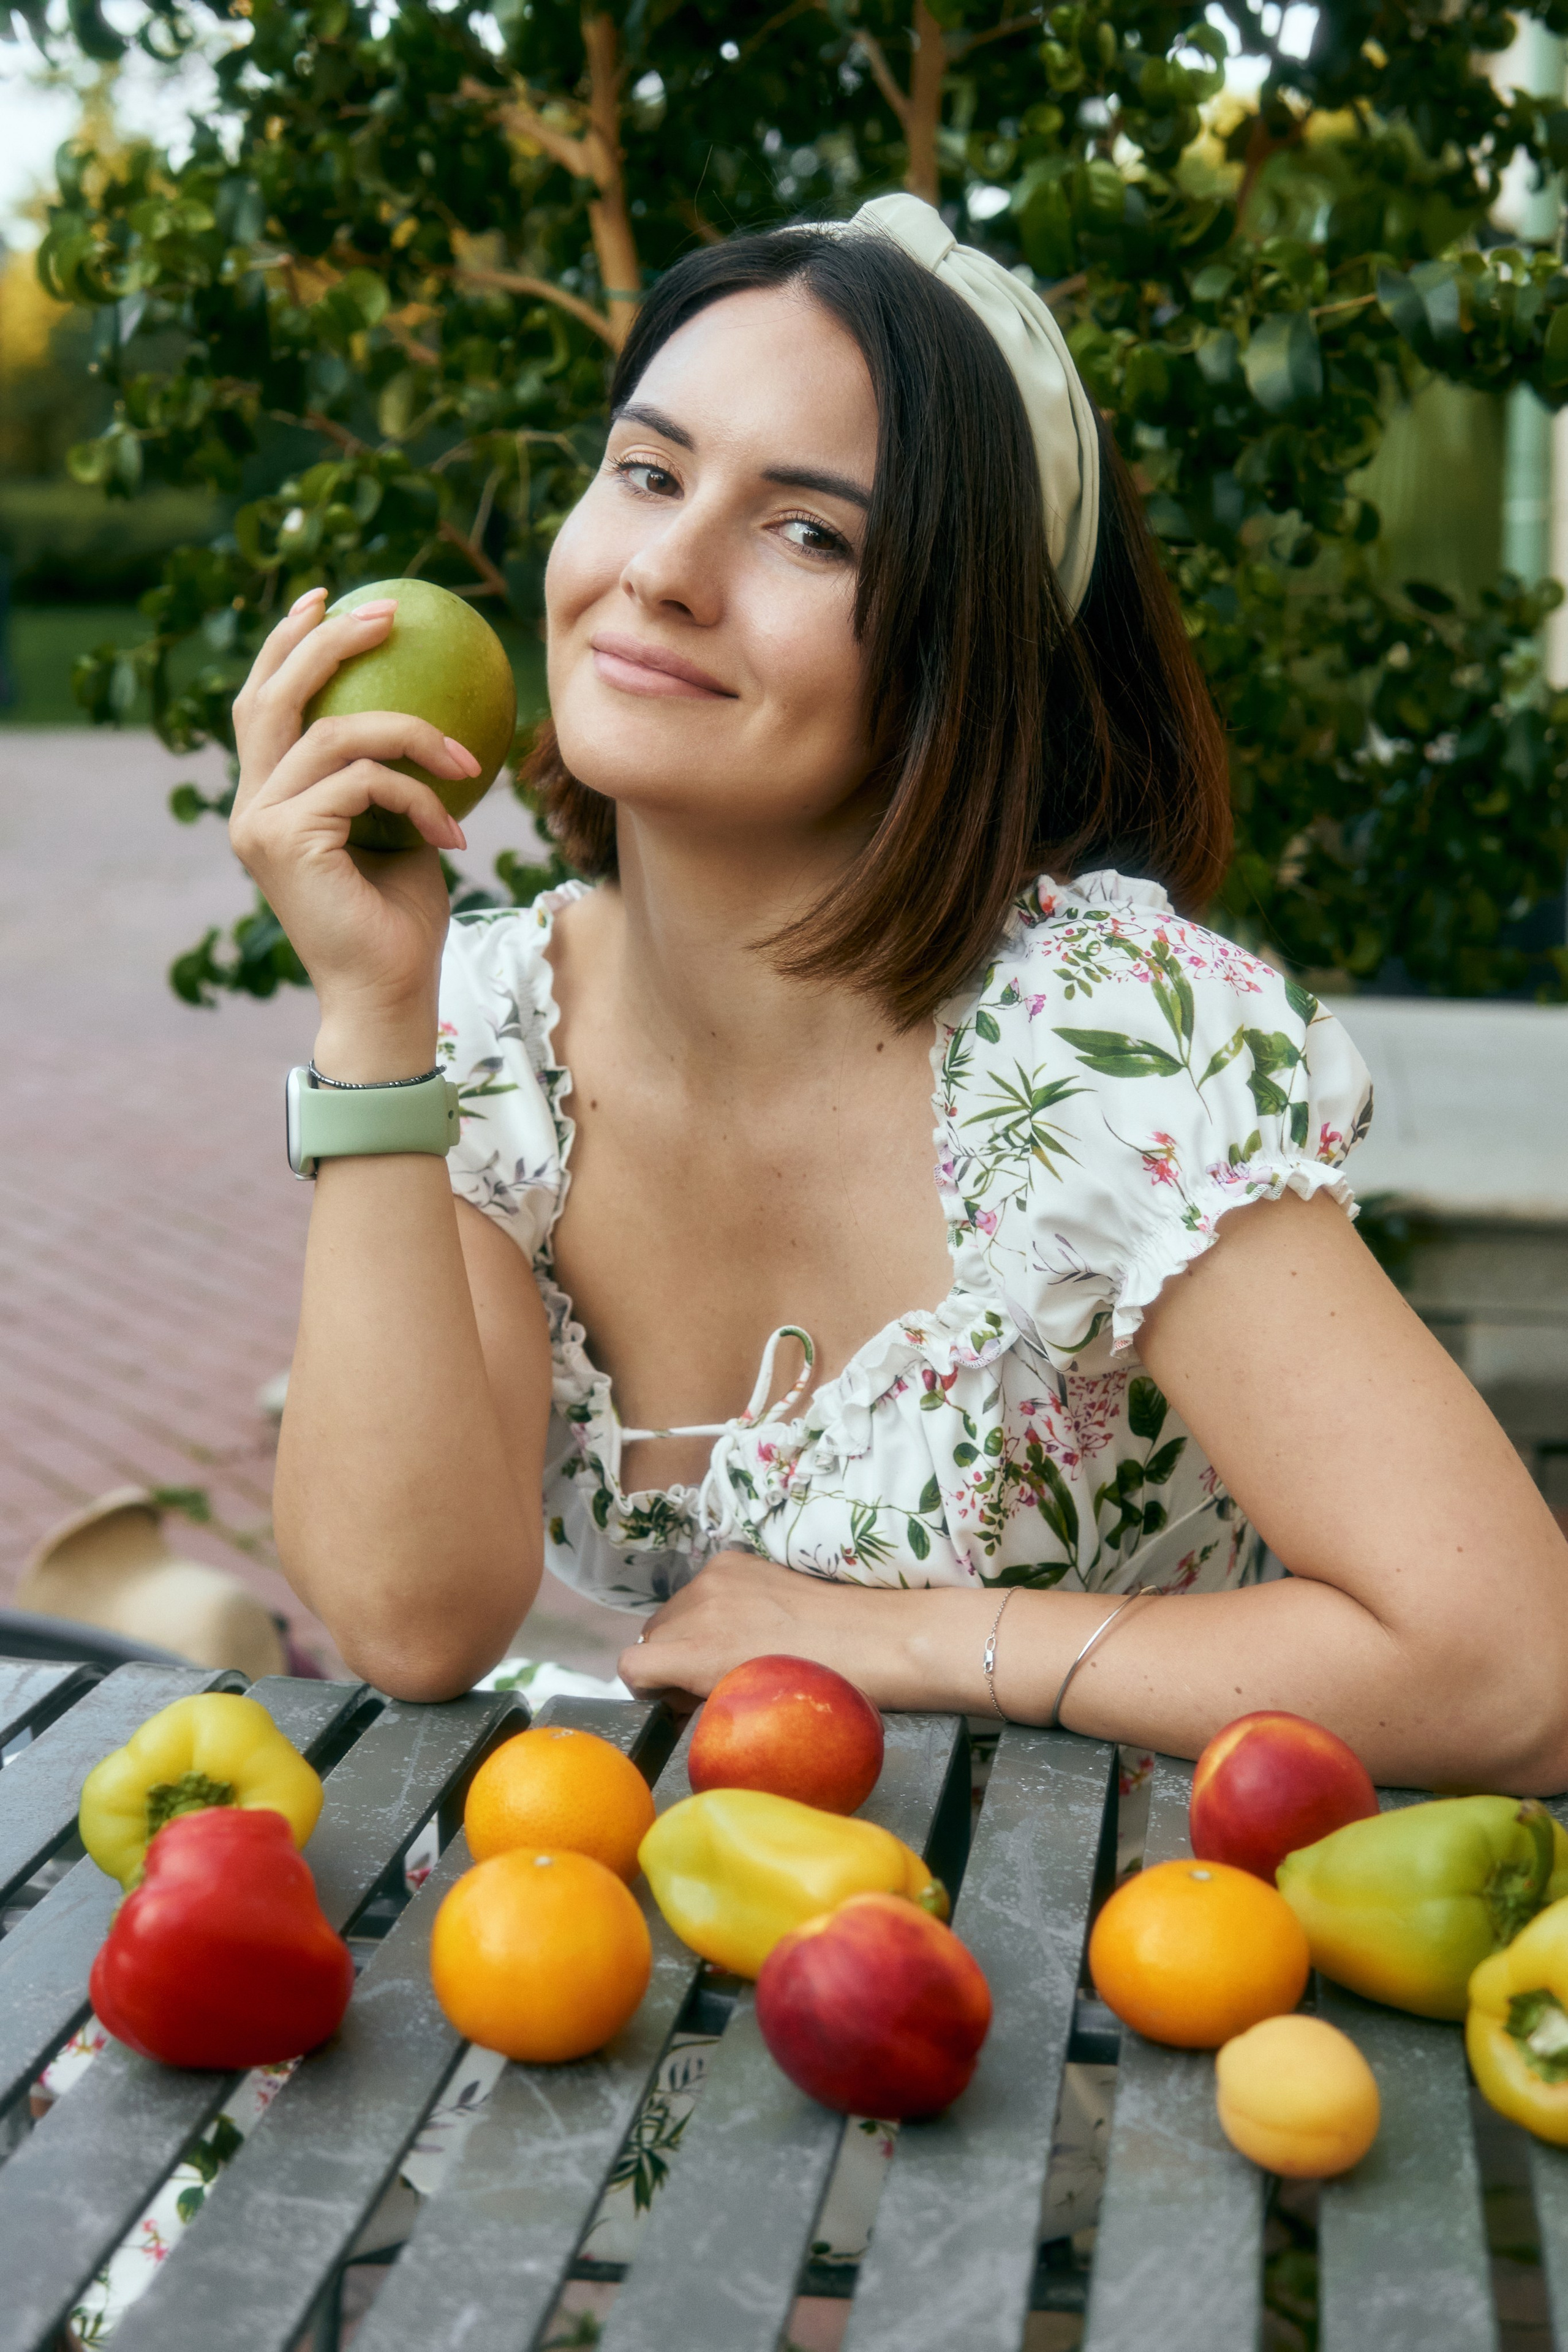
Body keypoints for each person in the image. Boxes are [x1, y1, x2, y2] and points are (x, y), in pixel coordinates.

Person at [231, 193, 1568, 1800]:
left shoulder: (1101, 1047)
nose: (659, 570)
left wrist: (914, 1635)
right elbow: (410, 1616)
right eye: (648, 473)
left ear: (953, 652)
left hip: (1125, 1984)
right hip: (729, 1964)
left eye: (811, 532)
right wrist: (375, 1013)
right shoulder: (491, 1023)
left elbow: (1509, 1668)